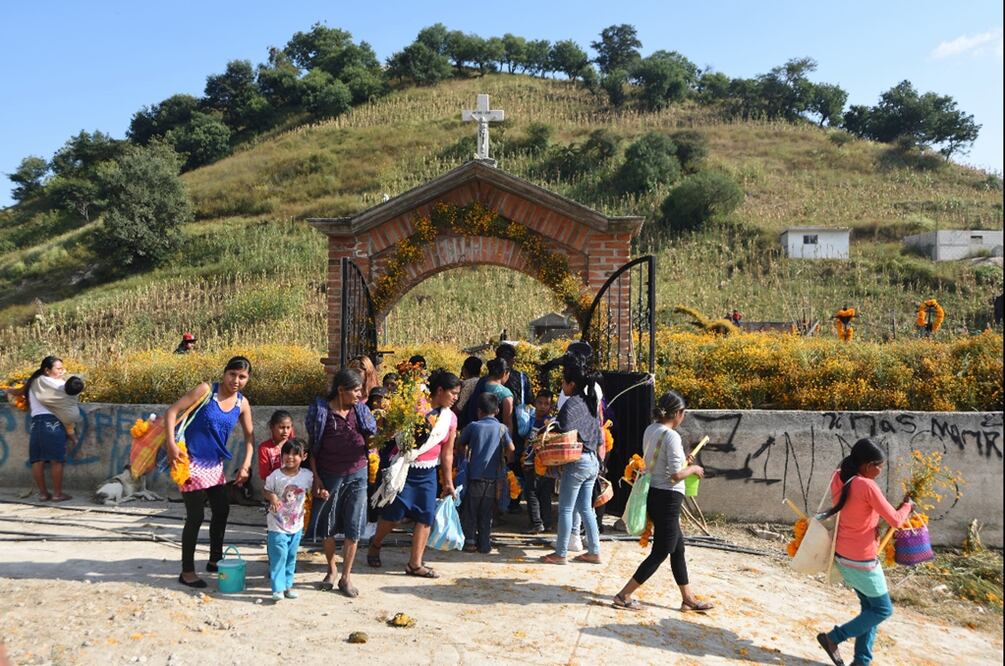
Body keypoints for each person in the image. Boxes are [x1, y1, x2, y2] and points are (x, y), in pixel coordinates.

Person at [612, 391, 713, 612]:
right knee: (662, 550)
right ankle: (624, 595)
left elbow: (659, 465)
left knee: (678, 547)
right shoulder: (672, 436)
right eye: (682, 413)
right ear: (677, 413)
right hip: (669, 496)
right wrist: (694, 468)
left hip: (655, 493)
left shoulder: (651, 429)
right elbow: (676, 475)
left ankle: (688, 598)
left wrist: (684, 464)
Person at [816, 438, 913, 666]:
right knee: (882, 610)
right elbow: (897, 520)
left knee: (869, 609)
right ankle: (833, 638)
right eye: (878, 466)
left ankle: (861, 662)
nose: (879, 471)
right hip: (862, 560)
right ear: (867, 465)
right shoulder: (866, 486)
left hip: (843, 555)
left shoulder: (839, 476)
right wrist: (909, 505)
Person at [165, 356, 255, 588]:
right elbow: (172, 412)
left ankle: (215, 560)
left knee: (222, 510)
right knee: (195, 516)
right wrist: (172, 446)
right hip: (190, 460)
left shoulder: (241, 404)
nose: (236, 380)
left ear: (248, 379)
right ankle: (187, 572)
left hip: (214, 465)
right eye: (232, 374)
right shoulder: (206, 391)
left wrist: (246, 464)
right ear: (224, 373)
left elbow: (249, 438)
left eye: (242, 377)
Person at [367, 369, 459, 578]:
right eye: (452, 393)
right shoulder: (415, 407)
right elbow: (392, 431)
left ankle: (415, 564)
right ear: (440, 390)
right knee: (393, 515)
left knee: (425, 516)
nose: (455, 398)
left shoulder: (450, 418)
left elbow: (447, 453)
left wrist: (448, 482)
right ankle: (376, 544)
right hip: (405, 469)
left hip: (427, 473)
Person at [306, 369, 377, 597]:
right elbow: (313, 447)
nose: (359, 394)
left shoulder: (361, 411)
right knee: (327, 525)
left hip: (358, 473)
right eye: (355, 390)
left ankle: (346, 576)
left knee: (354, 526)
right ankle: (331, 568)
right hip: (329, 475)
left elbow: (372, 438)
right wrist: (316, 477)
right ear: (340, 390)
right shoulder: (320, 412)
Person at [540, 362, 603, 565]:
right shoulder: (589, 401)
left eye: (563, 382)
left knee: (566, 508)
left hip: (577, 461)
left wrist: (549, 427)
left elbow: (564, 430)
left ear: (571, 383)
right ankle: (594, 551)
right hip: (593, 461)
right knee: (586, 508)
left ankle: (560, 553)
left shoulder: (572, 404)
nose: (562, 386)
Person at [264, 440, 327, 601]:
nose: (290, 457)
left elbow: (314, 491)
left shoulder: (307, 476)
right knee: (279, 557)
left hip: (296, 527)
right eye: (287, 453)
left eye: (295, 454)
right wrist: (273, 498)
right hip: (276, 526)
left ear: (304, 456)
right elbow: (266, 491)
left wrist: (322, 494)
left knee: (291, 558)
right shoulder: (275, 476)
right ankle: (277, 589)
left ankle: (288, 586)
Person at [458, 392, 514, 553]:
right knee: (486, 513)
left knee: (470, 511)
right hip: (492, 480)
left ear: (479, 411)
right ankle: (484, 544)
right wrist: (505, 460)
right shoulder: (502, 428)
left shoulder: (473, 427)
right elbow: (511, 449)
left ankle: (469, 542)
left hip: (475, 477)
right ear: (497, 411)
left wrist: (464, 458)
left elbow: (460, 444)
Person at [15, 357, 74, 501]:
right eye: (58, 369)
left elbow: (17, 394)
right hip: (53, 422)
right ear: (47, 370)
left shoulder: (33, 383)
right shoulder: (60, 384)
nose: (62, 371)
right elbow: (66, 409)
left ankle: (42, 494)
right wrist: (71, 432)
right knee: (56, 461)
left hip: (36, 424)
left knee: (37, 460)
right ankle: (57, 494)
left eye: (62, 368)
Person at [496, 344, 533, 514]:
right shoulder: (522, 377)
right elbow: (530, 398)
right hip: (519, 426)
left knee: (501, 461)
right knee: (517, 461)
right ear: (513, 359)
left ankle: (502, 497)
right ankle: (515, 499)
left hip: (497, 423)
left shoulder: (493, 377)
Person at [523, 389, 556, 534]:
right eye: (540, 403)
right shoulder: (539, 421)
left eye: (546, 404)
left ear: (551, 406)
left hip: (536, 464)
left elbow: (534, 445)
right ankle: (547, 523)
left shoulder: (545, 424)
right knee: (544, 495)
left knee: (532, 494)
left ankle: (537, 523)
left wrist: (526, 459)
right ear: (535, 403)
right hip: (547, 465)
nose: (542, 406)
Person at [258, 410, 295, 481]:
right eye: (281, 427)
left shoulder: (295, 446)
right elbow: (264, 475)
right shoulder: (265, 448)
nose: (285, 431)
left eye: (288, 427)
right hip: (274, 486)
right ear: (272, 427)